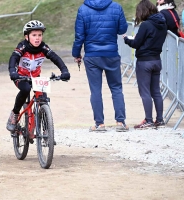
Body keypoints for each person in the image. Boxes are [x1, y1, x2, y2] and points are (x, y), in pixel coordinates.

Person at [72, 0, 129, 132]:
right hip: (111, 53)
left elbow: (79, 36)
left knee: (95, 90)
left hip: (92, 55)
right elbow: (122, 29)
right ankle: (120, 122)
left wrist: (76, 54)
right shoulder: (116, 7)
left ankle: (99, 124)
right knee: (116, 88)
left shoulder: (83, 9)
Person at [6, 20, 71, 132]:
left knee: (43, 99)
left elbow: (55, 58)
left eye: (40, 35)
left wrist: (64, 71)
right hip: (21, 76)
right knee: (26, 89)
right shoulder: (22, 47)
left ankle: (47, 131)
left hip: (36, 77)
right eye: (34, 35)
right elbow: (14, 58)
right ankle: (15, 114)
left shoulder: (43, 47)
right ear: (27, 37)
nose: (37, 38)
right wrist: (12, 71)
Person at [123, 0, 167, 129]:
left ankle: (148, 120)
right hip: (157, 60)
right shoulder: (162, 23)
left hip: (144, 61)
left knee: (145, 92)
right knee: (156, 91)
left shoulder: (146, 25)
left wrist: (127, 39)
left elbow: (136, 44)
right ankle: (160, 120)